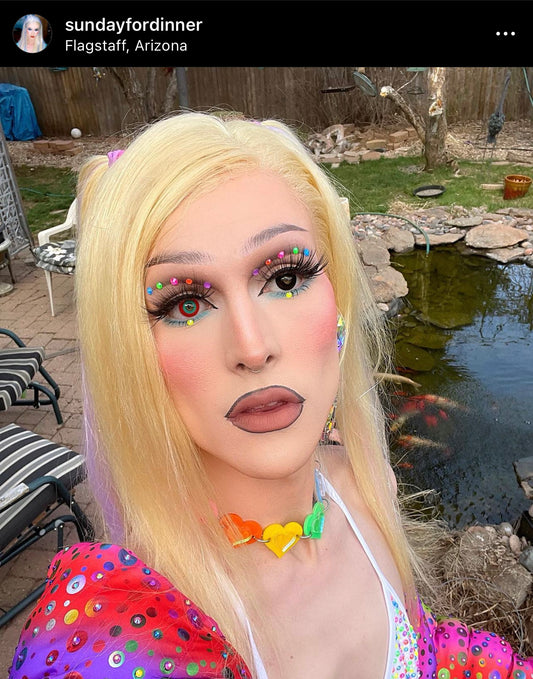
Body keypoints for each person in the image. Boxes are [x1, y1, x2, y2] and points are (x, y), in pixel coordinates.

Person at [8, 113, 533, 679]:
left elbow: (429, 652)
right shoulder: (111, 640)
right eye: (185, 303)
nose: (253, 348)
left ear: (340, 304)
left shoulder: (365, 483)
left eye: (285, 278)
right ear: (128, 353)